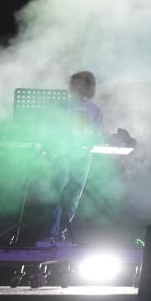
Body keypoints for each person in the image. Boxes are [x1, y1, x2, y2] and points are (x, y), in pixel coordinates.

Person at [39, 71, 104, 246]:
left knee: (73, 197)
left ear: (88, 87)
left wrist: (92, 140)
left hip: (82, 157)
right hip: (62, 154)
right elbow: (50, 129)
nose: (76, 87)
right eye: (74, 84)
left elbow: (96, 135)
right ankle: (50, 234)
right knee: (57, 193)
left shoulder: (95, 110)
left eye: (80, 84)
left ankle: (61, 234)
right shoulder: (61, 105)